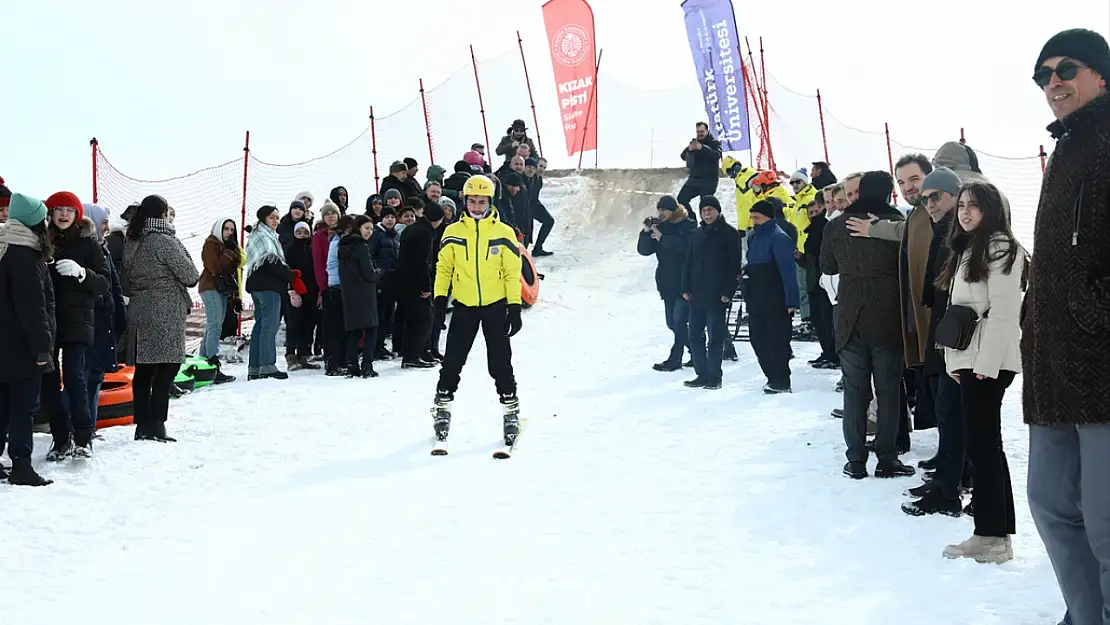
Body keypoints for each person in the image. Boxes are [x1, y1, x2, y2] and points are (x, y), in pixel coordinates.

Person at [1022, 28, 1110, 625]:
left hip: (1103, 365)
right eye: (1043, 75)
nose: (1054, 82)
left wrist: (1092, 311)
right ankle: (1085, 614)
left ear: (1102, 75)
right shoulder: (1065, 149)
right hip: (1054, 365)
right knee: (1050, 502)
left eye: (1067, 69)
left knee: (1108, 522)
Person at [929, 181, 1026, 564]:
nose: (965, 212)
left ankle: (990, 534)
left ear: (993, 209)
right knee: (985, 445)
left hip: (988, 362)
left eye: (975, 206)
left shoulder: (999, 246)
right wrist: (959, 364)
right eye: (963, 205)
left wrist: (983, 366)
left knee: (983, 447)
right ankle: (995, 533)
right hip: (972, 360)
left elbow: (1003, 312)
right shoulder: (969, 247)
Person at [822, 171, 915, 479]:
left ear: (859, 193)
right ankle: (887, 458)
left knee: (854, 391)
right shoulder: (898, 226)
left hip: (849, 317)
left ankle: (856, 460)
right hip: (889, 315)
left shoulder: (837, 225)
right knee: (888, 391)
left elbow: (826, 266)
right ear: (890, 194)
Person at [429, 175, 523, 452]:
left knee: (500, 362)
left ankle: (510, 410)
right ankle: (442, 407)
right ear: (465, 201)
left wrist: (514, 306)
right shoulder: (453, 232)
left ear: (490, 201)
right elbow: (444, 268)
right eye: (472, 200)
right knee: (453, 361)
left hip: (495, 306)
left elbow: (511, 272)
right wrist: (438, 300)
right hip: (465, 306)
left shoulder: (503, 232)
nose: (477, 205)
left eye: (482, 201)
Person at [120, 195, 199, 443]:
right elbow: (190, 275)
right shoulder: (164, 241)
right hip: (164, 309)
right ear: (164, 214)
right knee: (167, 368)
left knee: (144, 370)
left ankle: (142, 425)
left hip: (139, 308)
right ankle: (157, 425)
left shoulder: (132, 239)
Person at [41, 192, 110, 460]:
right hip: (46, 320)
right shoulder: (42, 241)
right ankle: (60, 439)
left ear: (77, 214)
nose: (64, 214)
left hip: (78, 321)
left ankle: (83, 437)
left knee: (74, 377)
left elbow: (104, 283)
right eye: (58, 209)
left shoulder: (88, 244)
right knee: (48, 382)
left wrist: (82, 273)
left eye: (69, 210)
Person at [0, 193, 56, 486]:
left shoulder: (4, 247)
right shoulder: (25, 255)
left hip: (3, 345)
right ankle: (21, 465)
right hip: (22, 348)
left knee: (2, 407)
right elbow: (33, 309)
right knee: (23, 409)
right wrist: (42, 348)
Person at [680, 195, 741, 390]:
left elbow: (733, 266)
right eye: (704, 211)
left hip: (717, 295)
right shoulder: (696, 234)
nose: (707, 214)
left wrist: (727, 291)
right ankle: (701, 373)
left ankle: (715, 376)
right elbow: (688, 262)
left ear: (718, 211)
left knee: (715, 337)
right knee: (695, 335)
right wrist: (685, 288)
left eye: (710, 210)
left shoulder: (729, 234)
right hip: (696, 294)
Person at [745, 199, 799, 393]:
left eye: (757, 217)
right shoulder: (753, 237)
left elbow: (788, 271)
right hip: (757, 297)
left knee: (777, 341)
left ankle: (781, 380)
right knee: (757, 339)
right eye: (752, 217)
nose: (753, 221)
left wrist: (792, 300)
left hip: (776, 299)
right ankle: (771, 376)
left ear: (768, 217)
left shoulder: (779, 238)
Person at [637, 195, 696, 372]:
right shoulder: (661, 226)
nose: (661, 213)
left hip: (684, 280)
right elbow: (644, 250)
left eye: (664, 210)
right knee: (671, 322)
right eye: (659, 210)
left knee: (679, 320)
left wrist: (663, 238)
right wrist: (647, 231)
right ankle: (697, 350)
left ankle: (675, 358)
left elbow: (687, 248)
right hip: (666, 281)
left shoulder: (689, 225)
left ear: (673, 210)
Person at [244, 205, 296, 380]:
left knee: (260, 326)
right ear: (264, 218)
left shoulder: (259, 235)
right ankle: (267, 365)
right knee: (269, 325)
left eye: (277, 217)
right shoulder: (264, 236)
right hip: (269, 287)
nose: (276, 221)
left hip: (257, 286)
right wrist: (290, 275)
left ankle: (255, 367)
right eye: (272, 217)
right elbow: (270, 261)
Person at [337, 215, 382, 378]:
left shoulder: (343, 245)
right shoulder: (361, 247)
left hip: (349, 293)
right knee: (371, 329)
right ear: (358, 228)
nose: (369, 232)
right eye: (367, 228)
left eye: (371, 229)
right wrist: (379, 272)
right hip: (364, 293)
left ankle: (352, 365)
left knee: (354, 331)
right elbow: (369, 274)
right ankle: (367, 365)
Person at [198, 218, 240, 383]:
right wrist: (228, 253)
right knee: (215, 325)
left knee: (213, 326)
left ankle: (203, 363)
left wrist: (236, 296)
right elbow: (215, 268)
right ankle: (212, 362)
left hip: (223, 289)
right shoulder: (211, 244)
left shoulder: (231, 247)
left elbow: (233, 272)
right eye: (226, 229)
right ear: (218, 230)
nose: (229, 232)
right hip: (210, 287)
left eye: (232, 229)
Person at [677, 123, 722, 213]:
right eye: (698, 132)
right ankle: (691, 221)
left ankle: (707, 224)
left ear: (707, 131)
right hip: (694, 179)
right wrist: (689, 150)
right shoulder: (694, 142)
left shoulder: (714, 143)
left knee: (705, 204)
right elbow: (682, 156)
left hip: (709, 180)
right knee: (681, 199)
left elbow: (717, 155)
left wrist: (702, 148)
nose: (700, 134)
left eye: (702, 131)